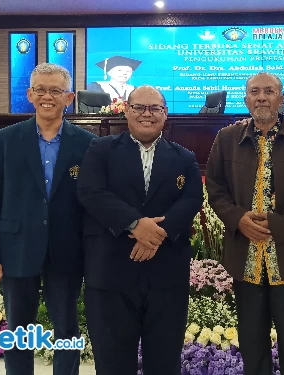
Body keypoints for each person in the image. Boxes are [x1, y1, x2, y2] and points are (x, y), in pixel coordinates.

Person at [206, 72, 284, 375]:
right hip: (245, 259)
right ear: (246, 99)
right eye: (255, 91)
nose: (262, 97)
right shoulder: (227, 139)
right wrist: (238, 219)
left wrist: (281, 225)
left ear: (281, 97)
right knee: (251, 339)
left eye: (269, 91)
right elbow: (216, 188)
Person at [0, 63, 97, 375]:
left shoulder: (87, 143)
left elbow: (92, 204)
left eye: (56, 90)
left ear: (69, 97)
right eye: (41, 90)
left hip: (66, 250)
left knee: (66, 329)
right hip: (16, 247)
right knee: (18, 330)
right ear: (29, 95)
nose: (48, 96)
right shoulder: (5, 140)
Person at [77, 85, 203, 375]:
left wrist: (156, 234)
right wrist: (136, 225)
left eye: (155, 108)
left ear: (165, 114)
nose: (147, 114)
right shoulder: (101, 148)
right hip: (111, 272)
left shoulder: (184, 156)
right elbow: (90, 192)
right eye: (139, 108)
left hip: (166, 275)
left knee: (164, 361)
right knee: (112, 362)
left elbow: (192, 198)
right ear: (127, 111)